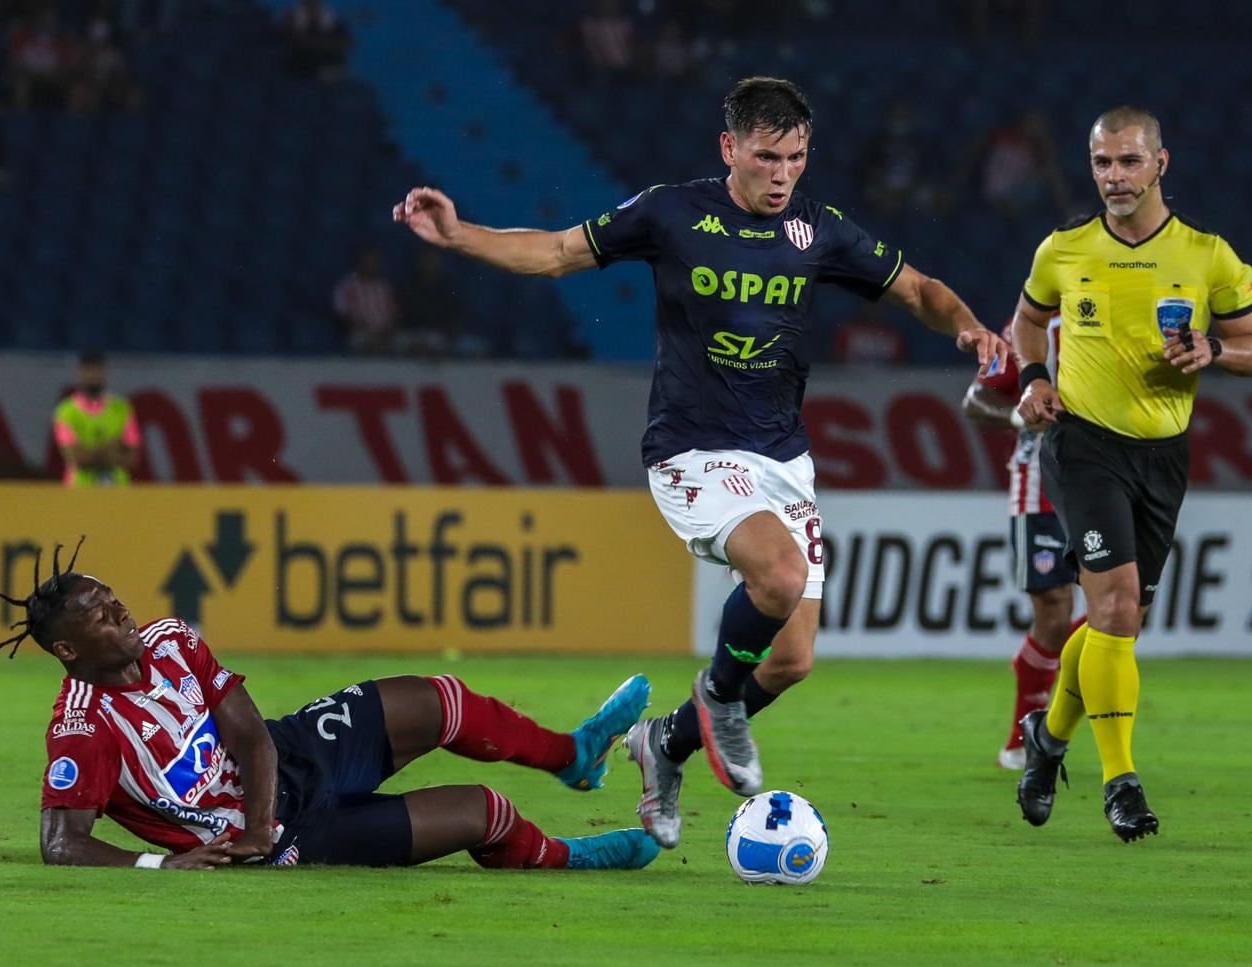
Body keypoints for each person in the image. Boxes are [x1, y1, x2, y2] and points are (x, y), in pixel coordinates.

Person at [393, 77, 1006, 847]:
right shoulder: (669, 211)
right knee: (778, 577)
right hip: (691, 448)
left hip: (783, 458)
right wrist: (459, 235)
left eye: (796, 157)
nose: (782, 173)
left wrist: (971, 328)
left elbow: (917, 288)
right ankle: (717, 697)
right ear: (729, 149)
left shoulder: (819, 230)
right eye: (766, 156)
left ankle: (665, 744)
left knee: (790, 661)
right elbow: (554, 254)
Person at [0, 540, 658, 872]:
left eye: (110, 597)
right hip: (290, 839)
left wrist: (256, 816)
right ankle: (573, 858)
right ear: (69, 650)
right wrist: (165, 864)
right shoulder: (83, 726)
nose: (118, 610)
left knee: (441, 700)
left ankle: (572, 755)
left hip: (289, 756)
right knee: (487, 813)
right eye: (98, 614)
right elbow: (60, 843)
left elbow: (249, 734)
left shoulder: (170, 638)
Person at [1013, 106, 1252, 842]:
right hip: (1083, 445)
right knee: (1115, 607)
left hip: (1162, 453)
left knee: (1119, 622)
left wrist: (1215, 351)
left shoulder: (1209, 257)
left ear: (1160, 164)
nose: (1113, 177)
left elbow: (1249, 343)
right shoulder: (1064, 249)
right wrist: (1032, 376)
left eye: (1127, 162)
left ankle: (1047, 738)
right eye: (1101, 163)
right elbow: (1027, 320)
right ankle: (1122, 783)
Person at [961, 317, 1079, 769]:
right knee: (1053, 609)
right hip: (1041, 486)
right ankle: (1021, 738)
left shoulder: (1126, 308)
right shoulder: (1032, 326)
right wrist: (1018, 417)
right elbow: (975, 402)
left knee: (1124, 610)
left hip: (1112, 480)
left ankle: (1037, 669)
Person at [53, 351, 142, 487]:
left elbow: (132, 459)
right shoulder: (66, 412)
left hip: (117, 492)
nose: (93, 376)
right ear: (79, 373)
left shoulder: (122, 409)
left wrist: (89, 452)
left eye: (98, 370)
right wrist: (111, 448)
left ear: (105, 372)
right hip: (79, 491)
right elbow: (77, 459)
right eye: (88, 370)